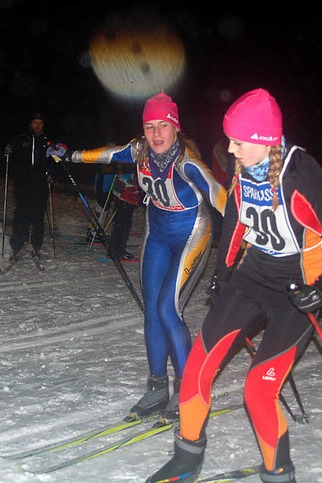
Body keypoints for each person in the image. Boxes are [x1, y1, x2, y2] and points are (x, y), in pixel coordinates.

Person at [146, 88, 322, 482]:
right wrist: (224, 272)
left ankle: (279, 474)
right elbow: (235, 219)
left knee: (257, 391)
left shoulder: (302, 173)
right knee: (197, 367)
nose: (231, 149)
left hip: (297, 290)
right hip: (253, 277)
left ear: (263, 141)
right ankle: (187, 457)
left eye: (239, 142)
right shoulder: (248, 165)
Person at [64, 92, 227, 419]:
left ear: (175, 127)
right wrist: (70, 155)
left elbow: (219, 196)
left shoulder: (187, 163)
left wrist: (251, 236)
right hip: (157, 233)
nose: (155, 134)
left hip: (192, 232)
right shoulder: (139, 151)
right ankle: (156, 388)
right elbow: (107, 155)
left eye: (163, 126)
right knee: (152, 310)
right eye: (149, 126)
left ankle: (188, 390)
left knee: (169, 308)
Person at [5, 112, 58, 259]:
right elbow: (11, 152)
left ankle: (36, 246)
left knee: (38, 217)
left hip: (40, 185)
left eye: (40, 123)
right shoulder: (21, 139)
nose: (37, 125)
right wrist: (8, 152)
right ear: (30, 124)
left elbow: (54, 161)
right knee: (21, 215)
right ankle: (17, 245)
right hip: (22, 184)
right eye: (35, 122)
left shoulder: (48, 142)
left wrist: (51, 174)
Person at [107, 168, 141, 260]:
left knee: (121, 221)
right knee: (123, 222)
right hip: (127, 191)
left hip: (125, 189)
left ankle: (115, 250)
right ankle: (117, 251)